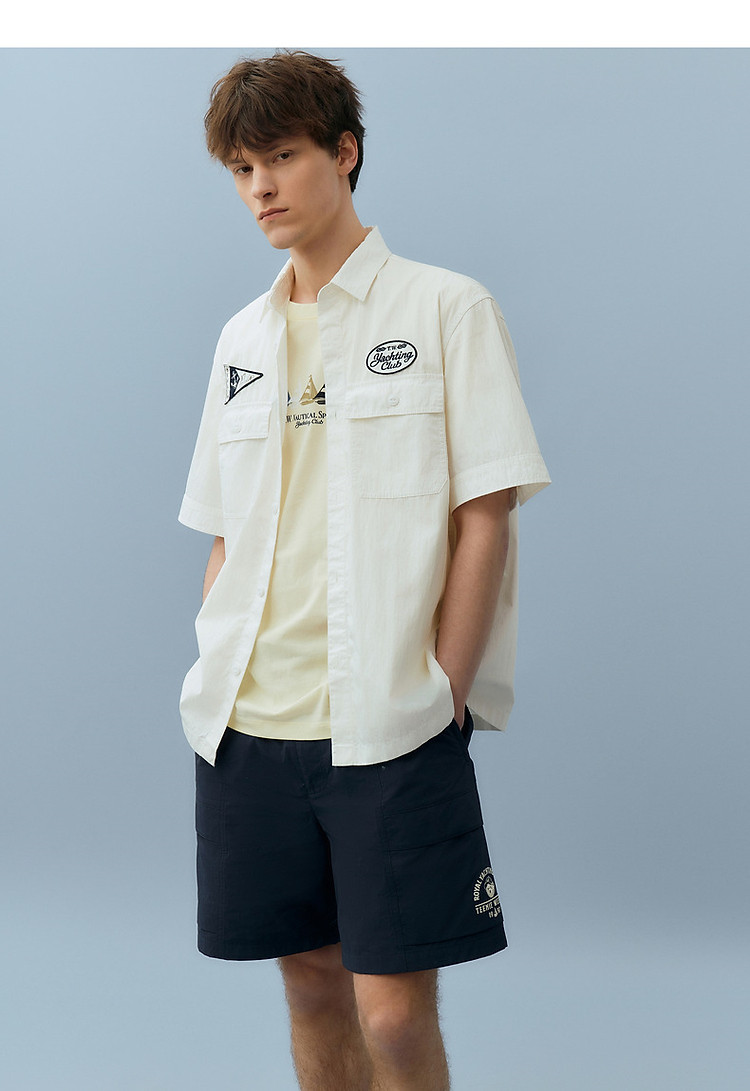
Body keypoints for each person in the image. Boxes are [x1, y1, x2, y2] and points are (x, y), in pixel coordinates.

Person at [178, 49, 550, 1091]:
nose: (260, 188)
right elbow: (222, 530)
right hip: (250, 722)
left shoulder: (445, 309)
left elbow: (486, 513)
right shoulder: (241, 339)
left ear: (344, 153)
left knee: (392, 1013)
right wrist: (213, 662)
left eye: (281, 157)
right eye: (241, 168)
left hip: (389, 720)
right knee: (310, 986)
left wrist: (442, 688)